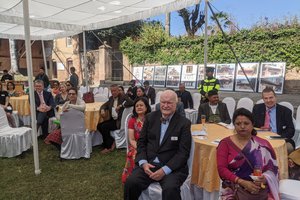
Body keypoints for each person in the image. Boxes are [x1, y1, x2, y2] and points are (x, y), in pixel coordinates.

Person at [124, 90, 192, 200]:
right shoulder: (150, 118)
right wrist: (143, 163)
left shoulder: (184, 123)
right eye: (163, 102)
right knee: (131, 182)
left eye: (169, 103)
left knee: (170, 189)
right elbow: (141, 143)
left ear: (176, 104)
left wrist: (165, 170)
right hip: (149, 164)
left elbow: (183, 153)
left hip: (171, 168)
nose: (165, 105)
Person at [217, 108, 279, 200]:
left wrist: (265, 179)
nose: (242, 126)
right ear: (234, 125)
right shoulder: (225, 143)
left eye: (246, 123)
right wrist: (242, 182)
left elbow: (273, 169)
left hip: (259, 191)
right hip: (232, 190)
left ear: (252, 124)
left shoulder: (263, 144)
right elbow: (221, 169)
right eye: (238, 124)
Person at [252, 87, 295, 153]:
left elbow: (291, 130)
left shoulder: (285, 111)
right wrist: (259, 130)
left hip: (279, 138)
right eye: (266, 98)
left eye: (271, 97)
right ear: (263, 99)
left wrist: (278, 137)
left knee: (288, 148)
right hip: (260, 138)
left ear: (275, 97)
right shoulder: (257, 108)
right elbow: (251, 125)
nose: (269, 100)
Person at [122, 97, 151, 184]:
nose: (139, 107)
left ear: (146, 107)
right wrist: (140, 148)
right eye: (137, 106)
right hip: (136, 145)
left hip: (150, 145)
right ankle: (135, 178)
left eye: (141, 105)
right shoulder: (132, 120)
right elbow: (131, 139)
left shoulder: (151, 119)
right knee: (134, 154)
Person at [97, 84, 125, 153]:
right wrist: (102, 109)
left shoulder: (123, 97)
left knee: (104, 127)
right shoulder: (111, 98)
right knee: (99, 125)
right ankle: (111, 141)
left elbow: (131, 103)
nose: (113, 92)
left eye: (115, 91)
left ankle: (108, 147)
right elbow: (104, 105)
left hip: (119, 121)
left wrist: (121, 105)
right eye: (112, 91)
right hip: (113, 119)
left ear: (118, 90)